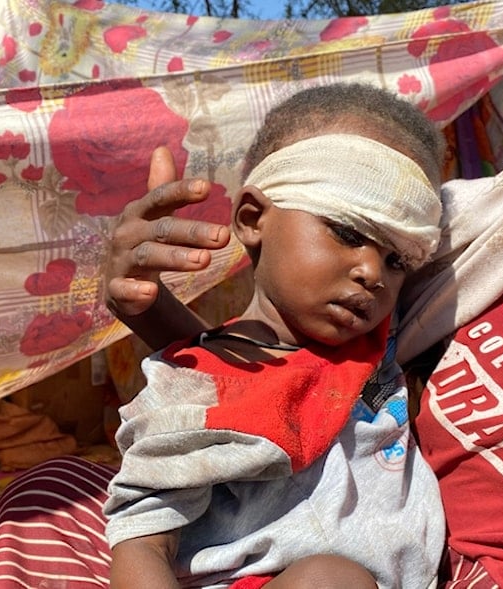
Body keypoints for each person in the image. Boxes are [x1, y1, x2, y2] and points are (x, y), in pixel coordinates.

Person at [0, 1, 503, 587]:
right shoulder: (481, 245)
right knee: (49, 492)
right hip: (294, 543)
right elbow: (287, 379)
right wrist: (154, 315)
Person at [105, 84, 447, 589]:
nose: (374, 271)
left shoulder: (377, 348)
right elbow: (143, 540)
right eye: (348, 231)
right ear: (251, 219)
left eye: (398, 259)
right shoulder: (198, 393)